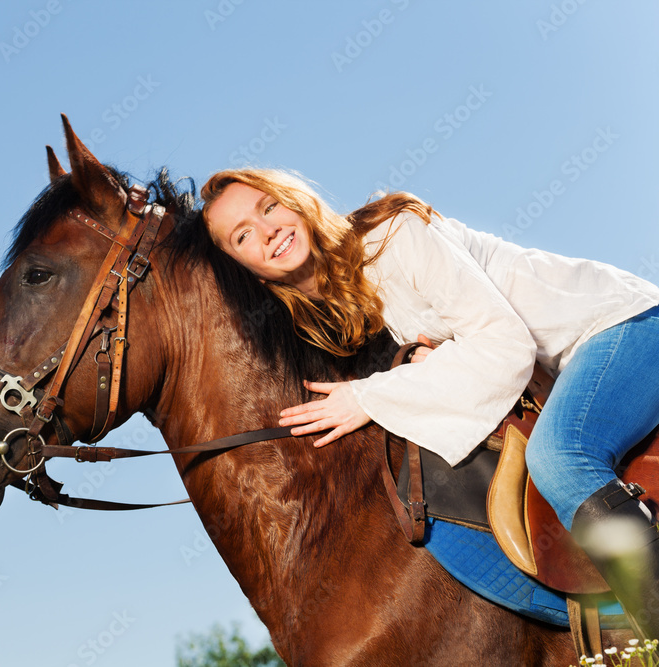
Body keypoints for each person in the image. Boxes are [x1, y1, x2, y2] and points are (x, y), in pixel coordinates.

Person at [201, 167, 659, 639]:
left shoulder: (391, 236)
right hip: (561, 373)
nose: (268, 230)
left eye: (269, 206)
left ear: (294, 200)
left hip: (616, 325)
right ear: (245, 271)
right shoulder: (339, 320)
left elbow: (503, 346)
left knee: (559, 458)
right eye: (243, 235)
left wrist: (367, 397)